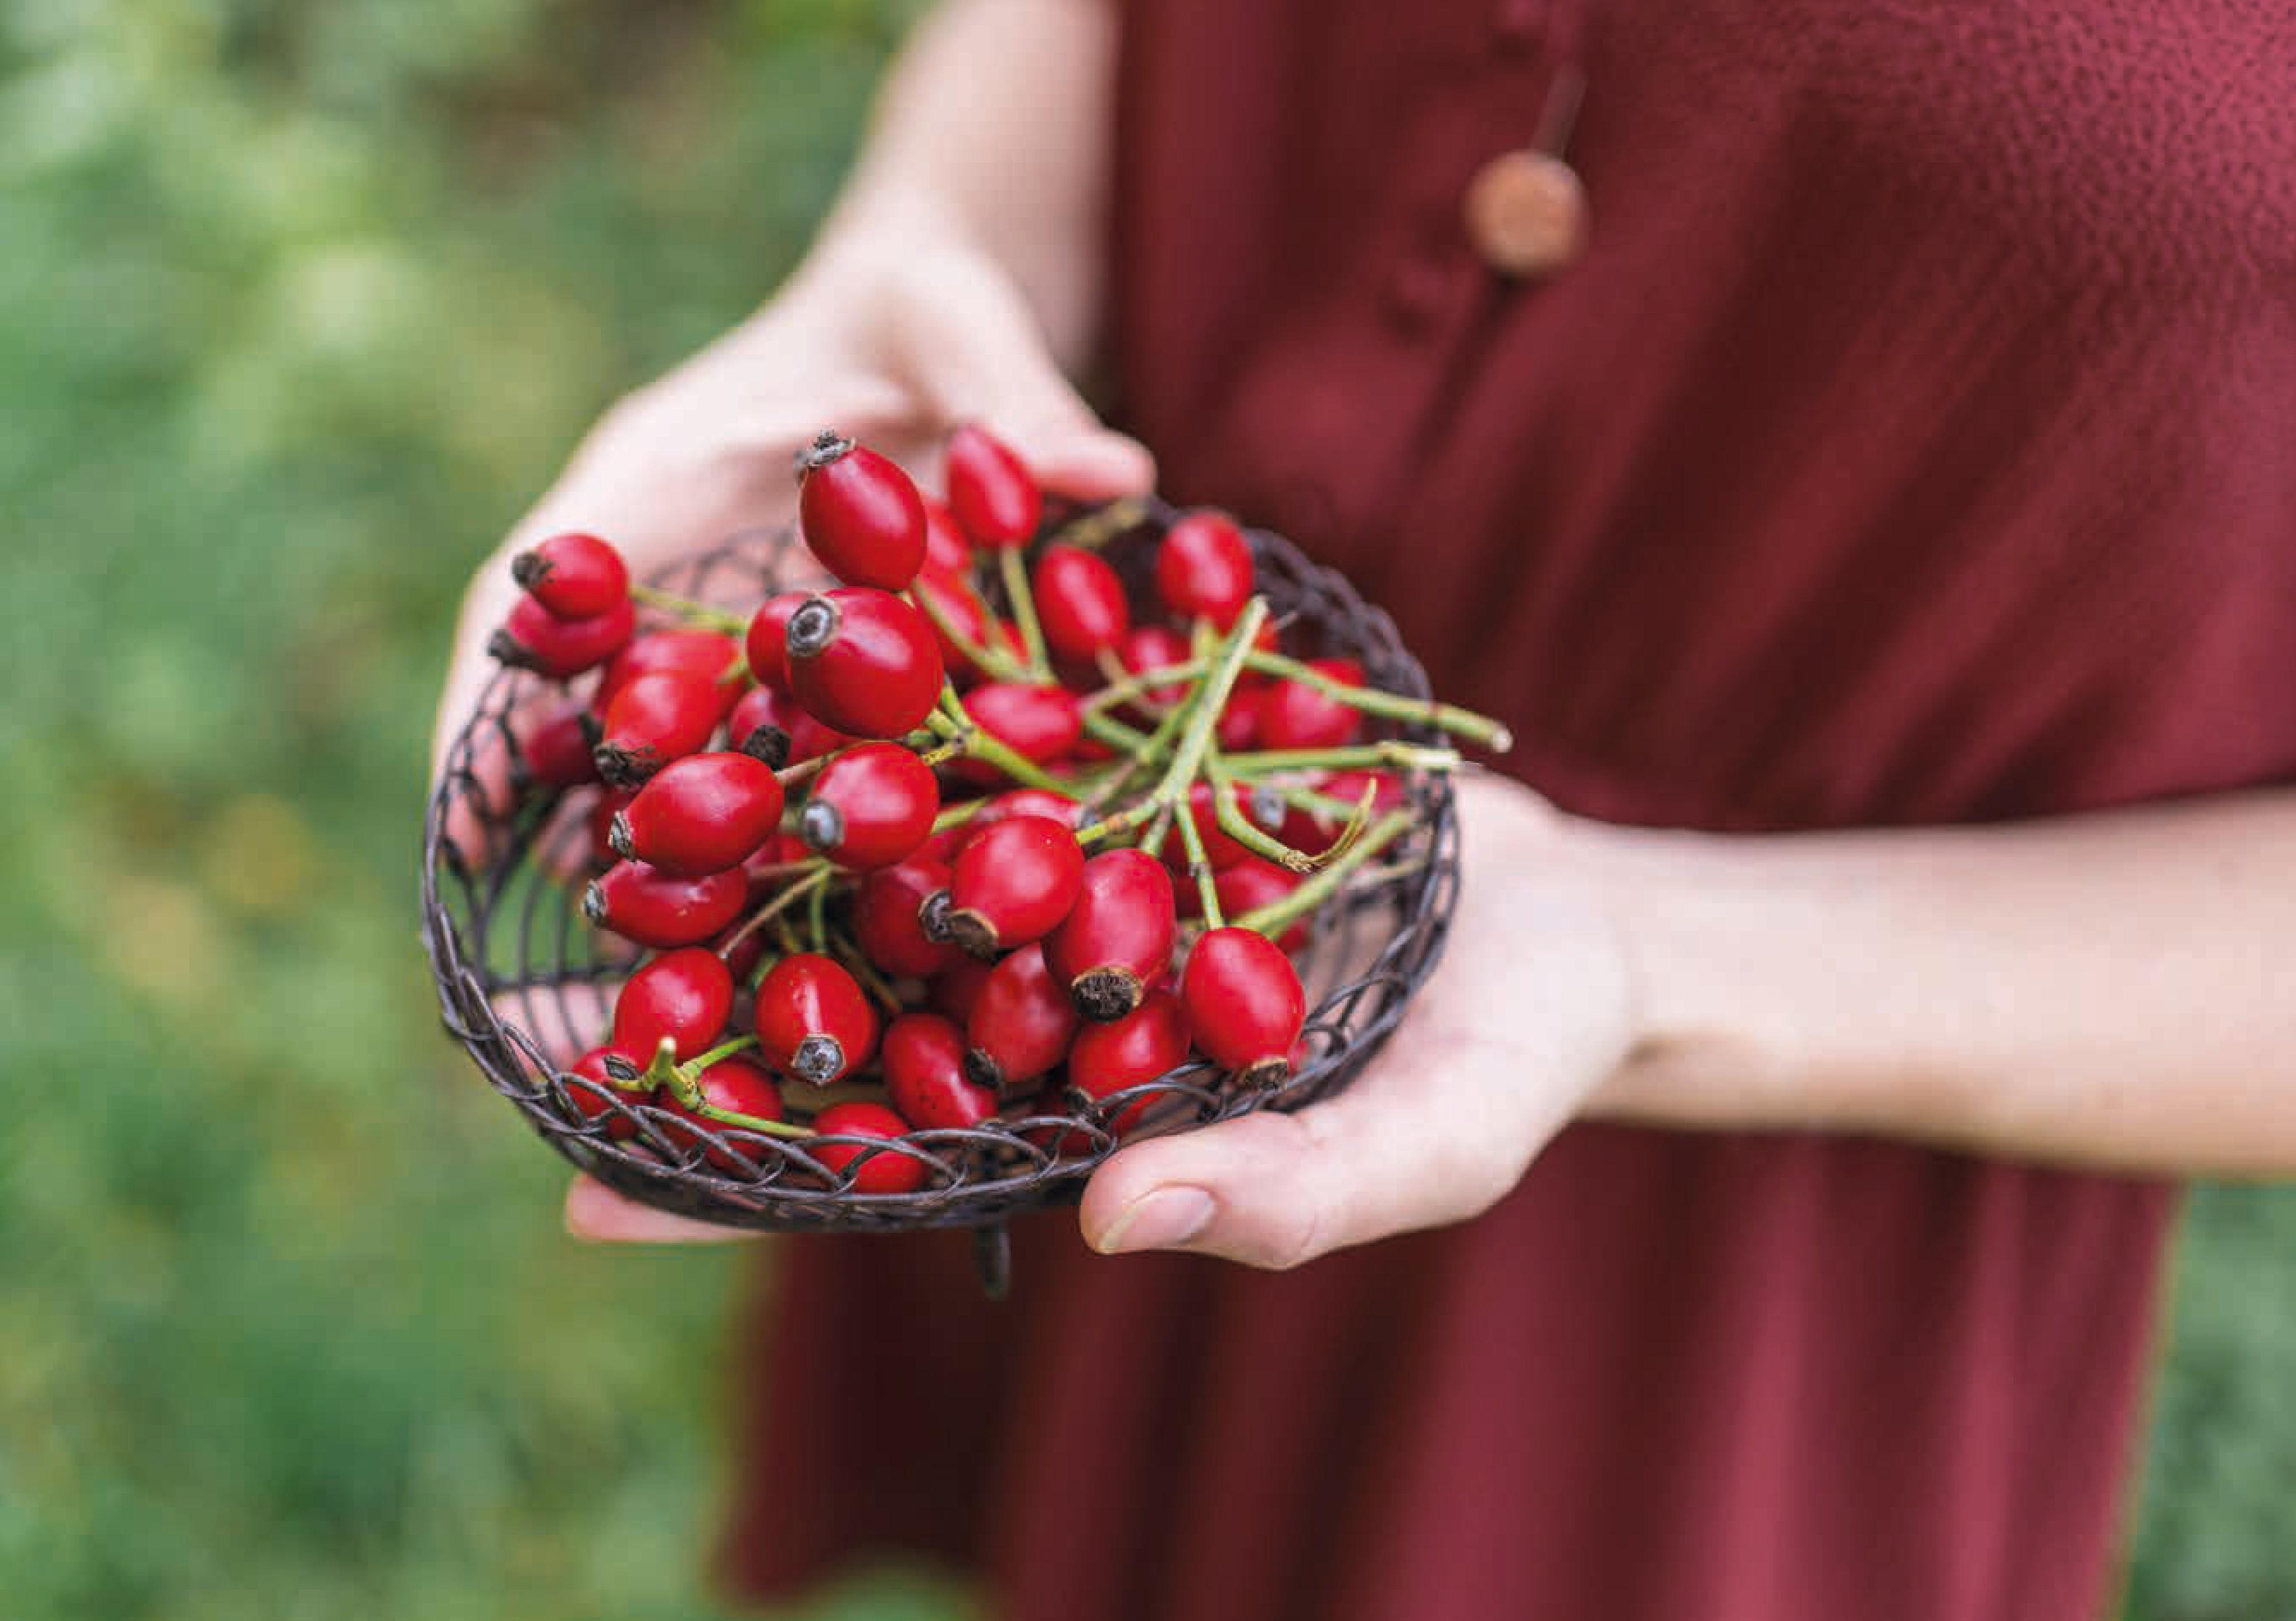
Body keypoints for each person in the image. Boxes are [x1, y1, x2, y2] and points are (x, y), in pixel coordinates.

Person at [432, 1, 2296, 1616]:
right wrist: (936, 240)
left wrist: (1651, 947)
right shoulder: (1004, 869)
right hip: (1127, 876)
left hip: (1738, 1248)